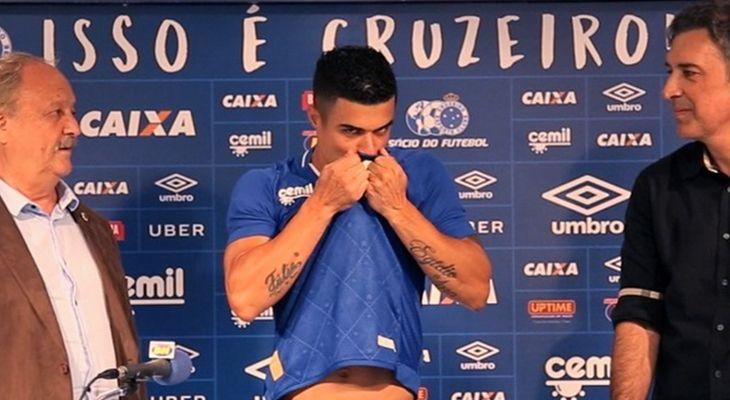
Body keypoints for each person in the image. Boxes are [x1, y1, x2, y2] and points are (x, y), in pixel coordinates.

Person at [224, 46, 492, 400]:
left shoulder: (419, 174)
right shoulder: (266, 185)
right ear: (315, 118)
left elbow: (475, 289)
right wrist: (321, 204)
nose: (369, 146)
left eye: (382, 130)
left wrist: (398, 208)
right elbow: (245, 299)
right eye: (351, 131)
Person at [0, 53, 144, 399]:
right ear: (3, 124)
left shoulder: (94, 228)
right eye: (55, 113)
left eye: (73, 112)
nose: (74, 128)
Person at [610, 2, 730, 399]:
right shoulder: (657, 186)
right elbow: (639, 312)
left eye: (689, 73)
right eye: (670, 71)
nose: (669, 90)